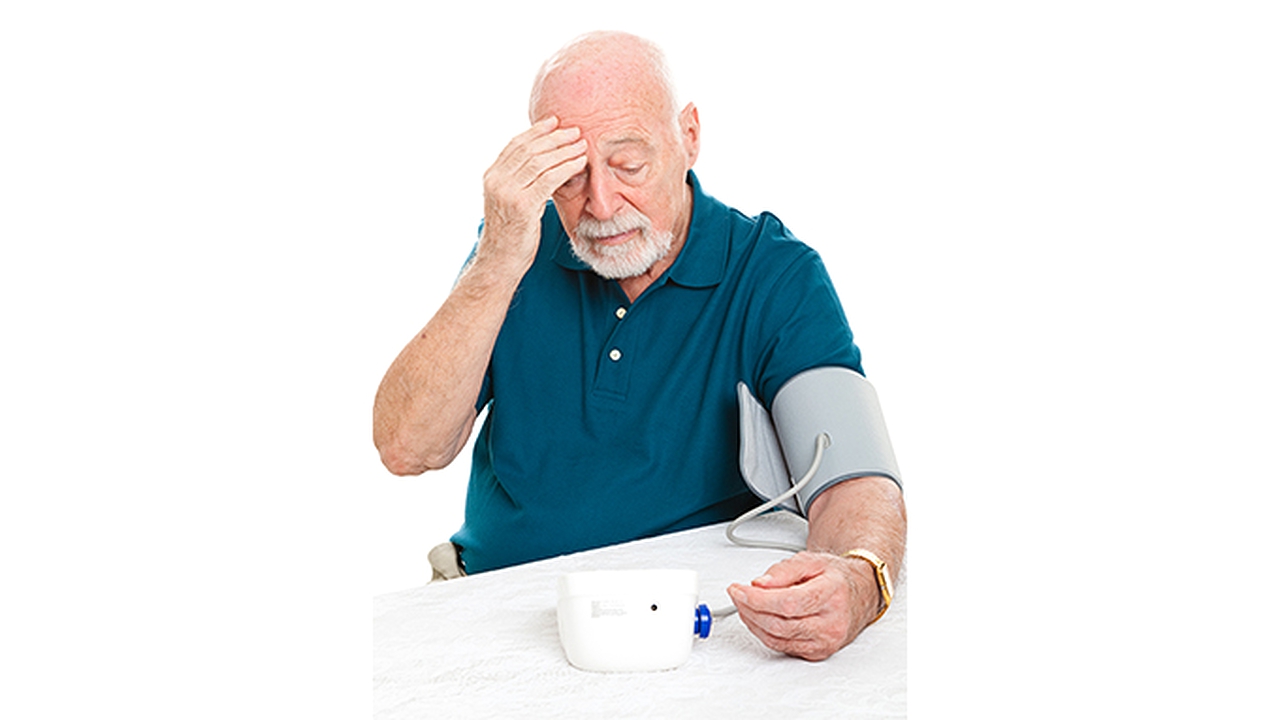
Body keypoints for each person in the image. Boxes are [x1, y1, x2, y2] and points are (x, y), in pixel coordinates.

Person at [373, 31, 906, 662]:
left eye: (628, 166)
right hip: (493, 600)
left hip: (678, 626)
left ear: (689, 136)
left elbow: (854, 476)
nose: (600, 205)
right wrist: (496, 260)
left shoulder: (774, 274)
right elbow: (408, 447)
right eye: (570, 176)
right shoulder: (513, 248)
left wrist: (859, 576)